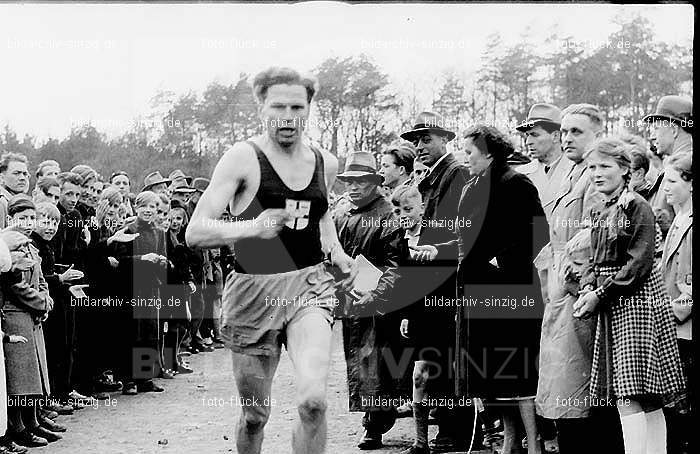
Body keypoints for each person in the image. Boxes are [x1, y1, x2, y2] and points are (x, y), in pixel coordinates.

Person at [185, 66, 356, 454]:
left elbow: (321, 214)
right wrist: (249, 228)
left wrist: (337, 250)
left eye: (298, 106)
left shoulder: (325, 162)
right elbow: (195, 231)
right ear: (261, 106)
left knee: (314, 402)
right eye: (278, 105)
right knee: (254, 416)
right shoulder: (242, 158)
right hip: (253, 290)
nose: (288, 115)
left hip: (309, 287)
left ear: (309, 109)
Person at [573, 137, 685, 454]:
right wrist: (586, 288)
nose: (596, 173)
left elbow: (639, 262)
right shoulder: (598, 208)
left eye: (605, 166)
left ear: (624, 170)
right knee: (634, 393)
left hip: (636, 304)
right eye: (592, 166)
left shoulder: (638, 206)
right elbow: (595, 261)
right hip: (610, 303)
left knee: (633, 393)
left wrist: (601, 294)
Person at [534, 104, 624, 454]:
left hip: (581, 299)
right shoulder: (572, 175)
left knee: (583, 389)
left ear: (597, 135)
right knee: (565, 386)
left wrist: (576, 286)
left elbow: (593, 242)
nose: (567, 137)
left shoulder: (595, 178)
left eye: (577, 132)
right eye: (565, 131)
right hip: (562, 297)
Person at [455, 125, 549, 454]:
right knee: (495, 377)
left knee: (519, 372)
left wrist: (496, 265)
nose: (464, 158)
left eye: (469, 152)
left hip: (512, 292)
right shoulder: (474, 186)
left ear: (490, 153)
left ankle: (534, 443)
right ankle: (510, 440)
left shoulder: (516, 183)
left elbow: (537, 234)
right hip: (481, 292)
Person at [398, 111, 469, 454]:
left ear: (445, 140)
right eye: (416, 142)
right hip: (432, 279)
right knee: (435, 357)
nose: (420, 147)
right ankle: (443, 428)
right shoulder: (428, 178)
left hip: (449, 277)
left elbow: (458, 232)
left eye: (427, 139)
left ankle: (455, 429)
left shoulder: (455, 173)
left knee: (450, 356)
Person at [334, 152, 407, 450]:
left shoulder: (388, 214)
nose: (354, 187)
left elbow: (397, 264)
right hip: (350, 300)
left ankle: (375, 422)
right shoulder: (340, 213)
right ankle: (376, 414)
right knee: (357, 358)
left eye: (361, 181)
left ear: (375, 183)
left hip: (379, 302)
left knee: (375, 361)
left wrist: (376, 294)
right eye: (349, 181)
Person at [1, 195, 60, 447]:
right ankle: (18, 427)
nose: (27, 223)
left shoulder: (30, 246)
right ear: (9, 219)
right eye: (21, 218)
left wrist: (46, 299)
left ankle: (33, 420)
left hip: (32, 315)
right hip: (15, 315)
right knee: (19, 380)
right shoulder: (8, 245)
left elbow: (41, 279)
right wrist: (41, 302)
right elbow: (15, 286)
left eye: (31, 218)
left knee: (33, 373)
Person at [113, 190, 168, 396]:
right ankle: (128, 380)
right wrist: (143, 258)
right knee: (131, 333)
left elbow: (163, 258)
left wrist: (163, 263)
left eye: (152, 207)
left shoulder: (159, 232)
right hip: (131, 288)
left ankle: (145, 378)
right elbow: (119, 262)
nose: (148, 210)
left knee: (149, 333)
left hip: (152, 289)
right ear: (136, 208)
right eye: (143, 206)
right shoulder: (128, 229)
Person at [659, 152, 693, 454]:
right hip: (676, 330)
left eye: (671, 181)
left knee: (682, 410)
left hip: (685, 331)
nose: (664, 188)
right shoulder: (680, 218)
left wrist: (672, 311)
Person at [643, 95, 693, 239]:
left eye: (657, 128)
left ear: (673, 130)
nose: (652, 136)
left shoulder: (685, 168)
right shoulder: (675, 164)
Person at [514, 103, 573, 222]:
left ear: (556, 136)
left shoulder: (577, 171)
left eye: (534, 135)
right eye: (527, 136)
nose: (528, 142)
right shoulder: (519, 175)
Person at [0, 153, 30, 229]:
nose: (22, 178)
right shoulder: (2, 203)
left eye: (25, 174)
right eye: (16, 173)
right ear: (2, 178)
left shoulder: (22, 200)